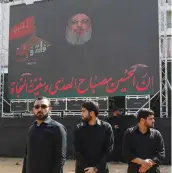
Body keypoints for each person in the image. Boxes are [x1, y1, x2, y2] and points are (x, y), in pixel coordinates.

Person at [22, 96, 67, 173]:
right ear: (33, 110)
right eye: (37, 107)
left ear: (50, 109)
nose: (40, 109)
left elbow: (61, 159)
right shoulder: (32, 128)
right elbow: (27, 156)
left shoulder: (58, 129)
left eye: (43, 106)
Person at [73, 101, 114, 173]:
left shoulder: (106, 128)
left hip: (101, 170)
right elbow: (77, 151)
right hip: (83, 170)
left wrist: (96, 168)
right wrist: (87, 169)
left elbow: (109, 151)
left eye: (83, 111)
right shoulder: (79, 129)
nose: (81, 114)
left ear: (91, 113)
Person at [122, 109, 165, 173]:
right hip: (134, 171)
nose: (153, 121)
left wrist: (146, 165)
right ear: (142, 120)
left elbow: (161, 154)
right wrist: (143, 162)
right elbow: (126, 153)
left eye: (153, 118)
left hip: (153, 171)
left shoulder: (156, 134)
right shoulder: (129, 133)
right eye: (150, 119)